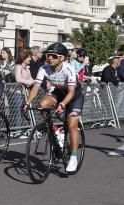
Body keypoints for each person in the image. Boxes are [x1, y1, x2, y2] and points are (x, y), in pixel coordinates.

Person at [22, 42, 83, 174]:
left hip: (74, 95)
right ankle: (55, 131)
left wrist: (62, 104)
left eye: (53, 56)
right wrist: (27, 102)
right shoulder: (44, 68)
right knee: (42, 105)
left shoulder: (69, 69)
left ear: (61, 58)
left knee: (72, 125)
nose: (49, 58)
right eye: (48, 55)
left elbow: (71, 92)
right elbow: (36, 87)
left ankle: (73, 157)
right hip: (59, 91)